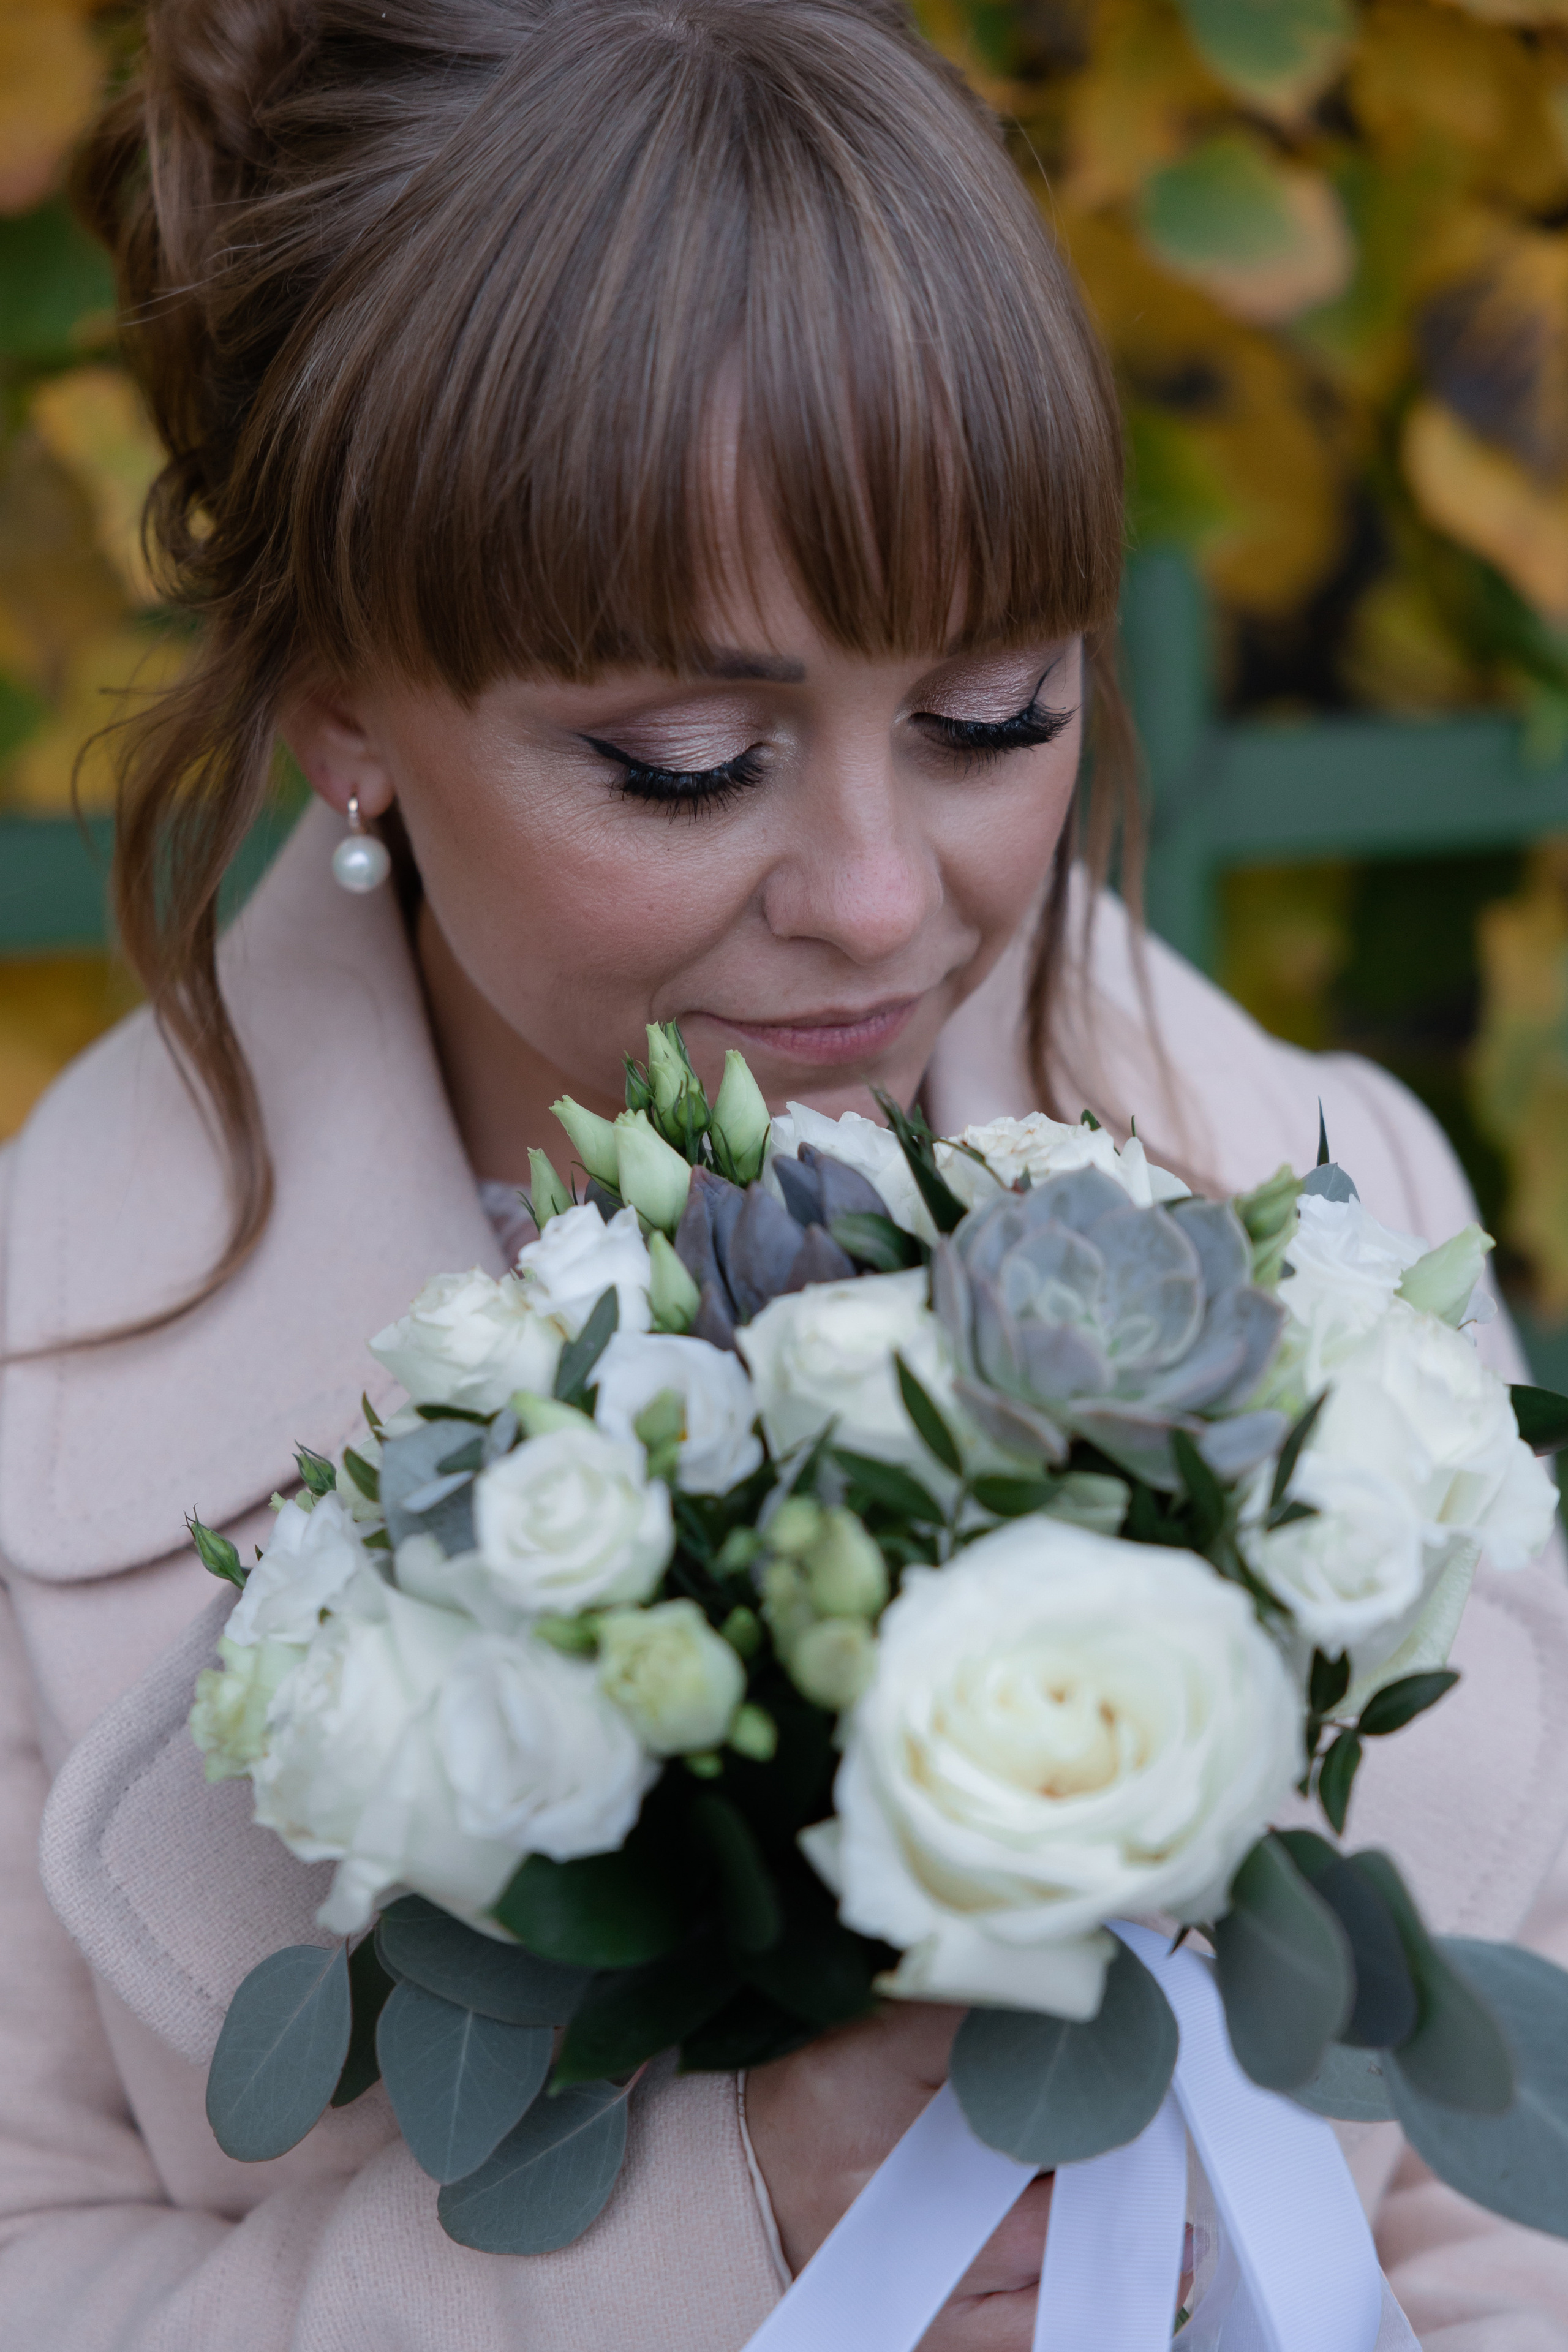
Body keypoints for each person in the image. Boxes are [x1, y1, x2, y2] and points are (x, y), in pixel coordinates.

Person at [2, 3, 1566, 2345]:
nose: (871, 893)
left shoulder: (1323, 1199)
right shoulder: (54, 1392)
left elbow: (1505, 2210)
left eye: (992, 719)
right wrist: (723, 2228)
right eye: (683, 760)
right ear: (340, 703)